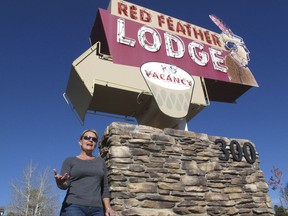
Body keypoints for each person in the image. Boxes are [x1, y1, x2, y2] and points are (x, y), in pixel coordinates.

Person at [53, 129, 116, 216]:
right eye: (87, 137)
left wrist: (108, 207)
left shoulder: (101, 162)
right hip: (73, 206)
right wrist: (59, 183)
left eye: (94, 139)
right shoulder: (70, 161)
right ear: (80, 142)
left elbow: (105, 187)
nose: (90, 140)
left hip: (97, 209)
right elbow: (64, 185)